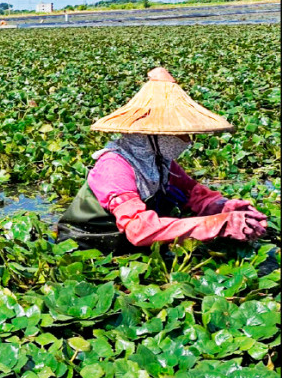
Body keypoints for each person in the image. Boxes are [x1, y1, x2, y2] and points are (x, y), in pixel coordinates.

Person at [57, 67, 267, 254]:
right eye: (180, 134)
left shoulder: (160, 162)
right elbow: (139, 229)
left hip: (127, 249)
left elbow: (194, 195)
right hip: (87, 249)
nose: (188, 141)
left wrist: (225, 208)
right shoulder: (114, 166)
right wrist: (214, 225)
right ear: (154, 135)